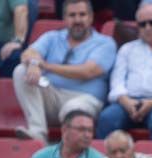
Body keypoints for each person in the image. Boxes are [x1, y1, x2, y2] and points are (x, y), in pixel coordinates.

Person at [12, 0, 115, 144]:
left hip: (85, 99)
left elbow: (89, 71)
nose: (77, 20)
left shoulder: (105, 43)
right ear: (65, 18)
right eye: (72, 15)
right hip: (52, 96)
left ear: (91, 17)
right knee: (21, 71)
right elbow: (28, 53)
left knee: (71, 108)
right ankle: (37, 134)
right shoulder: (52, 37)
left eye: (82, 15)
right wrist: (34, 63)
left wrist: (46, 66)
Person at [97, 2, 152, 142]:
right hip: (127, 102)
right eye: (142, 24)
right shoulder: (126, 49)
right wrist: (125, 101)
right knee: (108, 117)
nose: (148, 28)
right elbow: (116, 82)